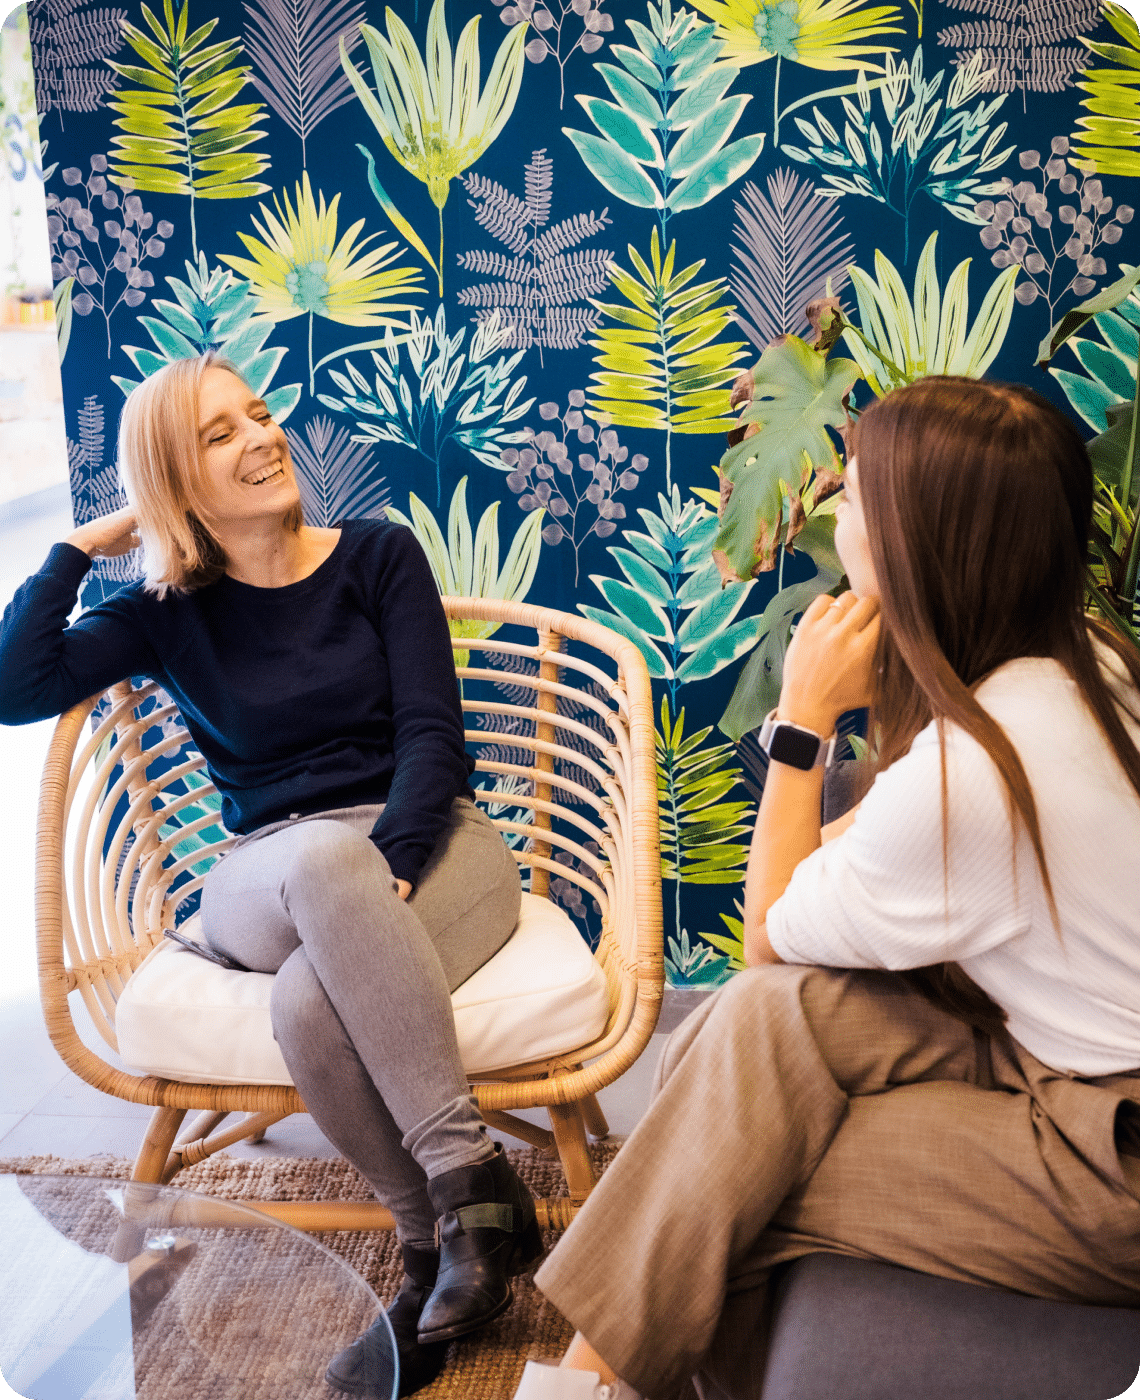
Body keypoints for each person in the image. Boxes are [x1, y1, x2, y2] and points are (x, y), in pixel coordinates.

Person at [509, 375, 1140, 1400]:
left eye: (854, 491)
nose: (832, 508)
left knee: (731, 1174)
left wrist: (801, 730)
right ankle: (596, 1384)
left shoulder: (973, 772)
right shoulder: (1084, 667)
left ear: (915, 541)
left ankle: (585, 1388)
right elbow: (824, 897)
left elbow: (767, 930)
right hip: (1051, 1049)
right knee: (762, 1026)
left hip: (1110, 1155)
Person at [0, 351, 545, 1397]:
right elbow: (16, 683)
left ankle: (426, 1258)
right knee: (320, 860)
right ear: (175, 477)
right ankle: (472, 1183)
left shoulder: (380, 557)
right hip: (267, 871)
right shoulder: (165, 609)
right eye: (218, 433)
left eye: (259, 413)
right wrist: (80, 545)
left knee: (309, 1002)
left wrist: (391, 859)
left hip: (430, 845)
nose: (261, 435)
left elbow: (435, 736)